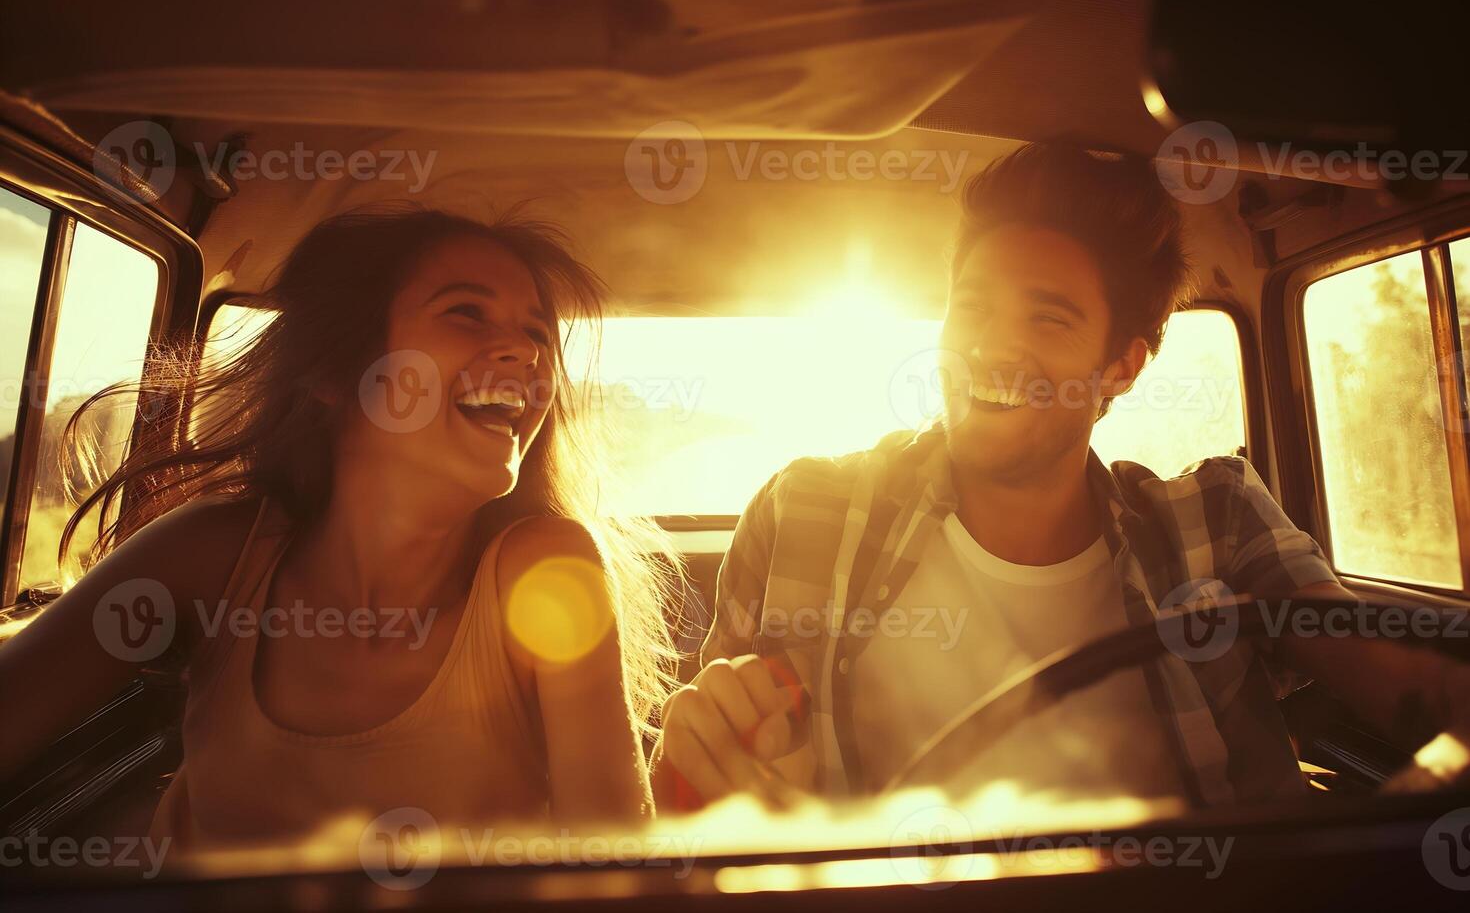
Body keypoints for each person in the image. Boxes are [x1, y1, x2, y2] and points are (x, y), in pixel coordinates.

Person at [651, 144, 1470, 810]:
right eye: (972, 308)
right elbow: (700, 794)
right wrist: (691, 762)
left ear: (1120, 366)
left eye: (1047, 316)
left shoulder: (1215, 521)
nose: (991, 348)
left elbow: (1397, 679)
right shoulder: (806, 511)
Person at [0, 205, 681, 845]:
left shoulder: (546, 571)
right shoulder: (209, 552)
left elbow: (618, 869)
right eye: (468, 313)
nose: (528, 354)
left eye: (537, 333)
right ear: (335, 372)